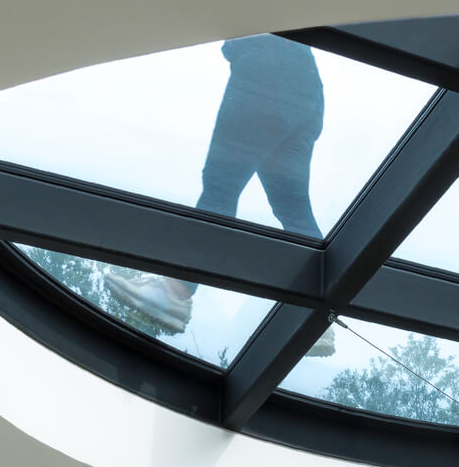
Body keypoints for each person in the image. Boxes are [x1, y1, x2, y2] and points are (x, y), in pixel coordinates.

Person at [105, 35, 335, 355]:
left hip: (266, 71)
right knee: (293, 207)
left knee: (220, 186)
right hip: (309, 90)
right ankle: (317, 315)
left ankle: (175, 293)